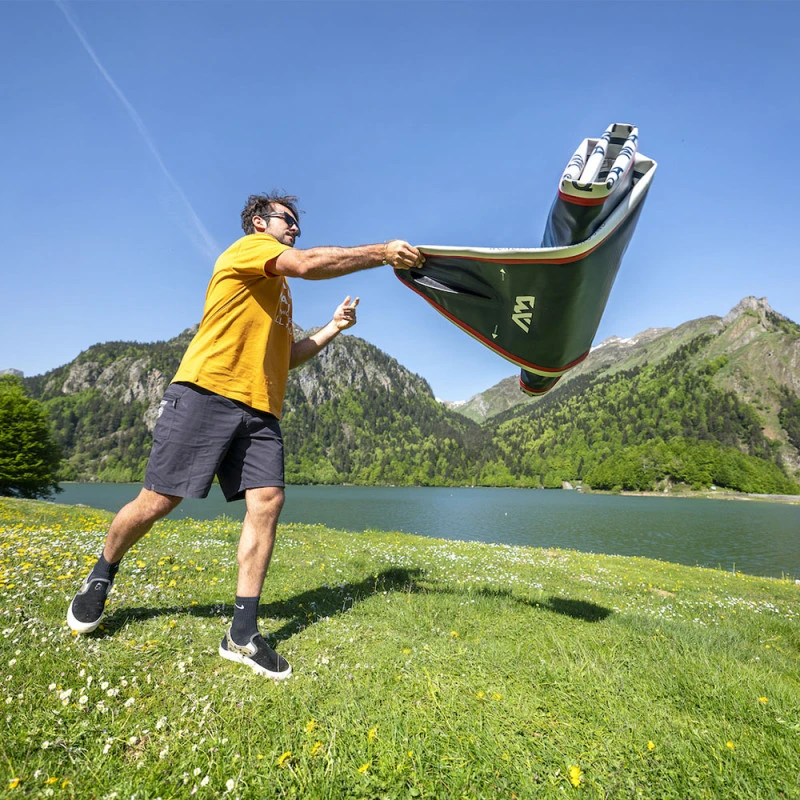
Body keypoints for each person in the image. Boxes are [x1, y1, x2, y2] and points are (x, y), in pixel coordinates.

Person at [67, 192, 424, 679]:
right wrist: (382, 252)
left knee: (268, 501)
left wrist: (333, 328)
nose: (294, 227)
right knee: (159, 500)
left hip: (260, 410)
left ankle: (241, 634)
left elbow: (287, 357)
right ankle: (101, 574)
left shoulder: (277, 290)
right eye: (287, 219)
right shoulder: (250, 251)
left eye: (297, 223)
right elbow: (306, 264)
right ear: (260, 222)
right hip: (206, 391)